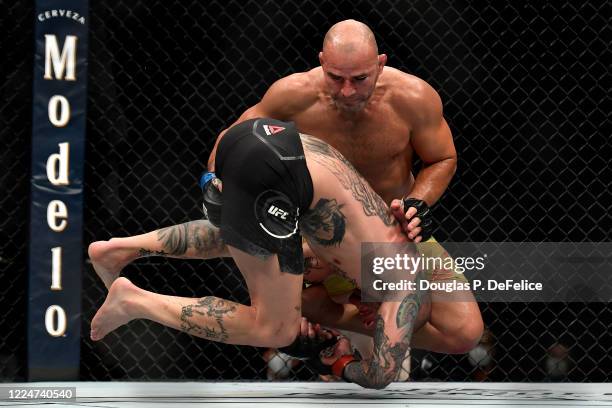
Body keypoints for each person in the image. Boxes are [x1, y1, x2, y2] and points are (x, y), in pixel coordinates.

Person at [89, 19, 483, 354]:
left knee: (462, 332)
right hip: (312, 229)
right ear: (321, 64)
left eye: (360, 79)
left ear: (381, 65)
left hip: (390, 233)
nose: (347, 91)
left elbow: (442, 158)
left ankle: (317, 308)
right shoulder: (294, 94)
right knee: (267, 231)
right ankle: (135, 249)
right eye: (336, 78)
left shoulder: (414, 98)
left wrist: (417, 203)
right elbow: (235, 135)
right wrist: (214, 181)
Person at [91, 118, 434, 389]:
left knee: (251, 237)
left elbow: (270, 244)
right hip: (276, 176)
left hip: (253, 137)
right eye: (381, 321)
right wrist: (341, 364)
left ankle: (120, 248)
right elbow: (381, 375)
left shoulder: (366, 242)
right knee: (276, 329)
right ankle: (134, 301)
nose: (368, 320)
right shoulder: (404, 281)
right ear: (407, 311)